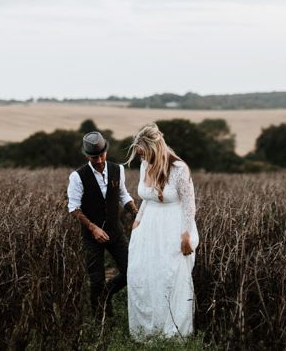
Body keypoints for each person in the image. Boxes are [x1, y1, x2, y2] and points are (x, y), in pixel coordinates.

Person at [126, 122, 199, 338]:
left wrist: (186, 235)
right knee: (143, 276)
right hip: (148, 229)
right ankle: (148, 329)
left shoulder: (178, 169)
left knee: (170, 277)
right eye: (139, 154)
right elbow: (146, 198)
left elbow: (189, 204)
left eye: (143, 153)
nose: (141, 158)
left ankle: (173, 332)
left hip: (173, 227)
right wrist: (137, 221)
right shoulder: (144, 165)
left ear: (154, 148)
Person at [67, 131, 139, 318]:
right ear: (86, 156)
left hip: (115, 231)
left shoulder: (118, 170)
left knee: (131, 271)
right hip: (91, 235)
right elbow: (74, 208)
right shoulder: (77, 177)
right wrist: (93, 228)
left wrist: (135, 212)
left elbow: (123, 194)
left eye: (101, 155)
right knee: (96, 280)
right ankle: (101, 321)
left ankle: (107, 293)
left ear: (106, 151)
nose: (98, 160)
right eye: (93, 157)